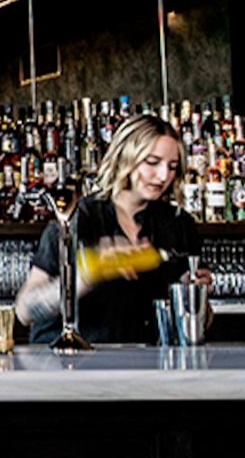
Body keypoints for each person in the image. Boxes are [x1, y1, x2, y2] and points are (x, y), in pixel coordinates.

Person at [13, 113, 212, 345]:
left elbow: (203, 322)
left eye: (172, 166)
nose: (163, 175)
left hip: (144, 361)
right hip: (70, 360)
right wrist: (88, 275)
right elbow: (25, 310)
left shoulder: (179, 224)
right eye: (152, 162)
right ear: (125, 158)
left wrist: (194, 299)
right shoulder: (77, 219)